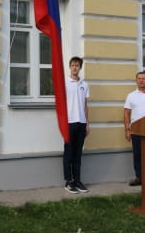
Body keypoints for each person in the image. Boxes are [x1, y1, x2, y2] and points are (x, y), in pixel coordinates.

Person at [63, 56, 90, 194]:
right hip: (69, 122)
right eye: (73, 65)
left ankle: (77, 180)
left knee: (78, 153)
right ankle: (68, 181)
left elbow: (85, 105)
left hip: (81, 123)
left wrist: (87, 123)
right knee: (69, 152)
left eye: (77, 65)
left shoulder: (84, 85)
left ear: (80, 67)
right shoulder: (65, 83)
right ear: (70, 67)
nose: (75, 67)